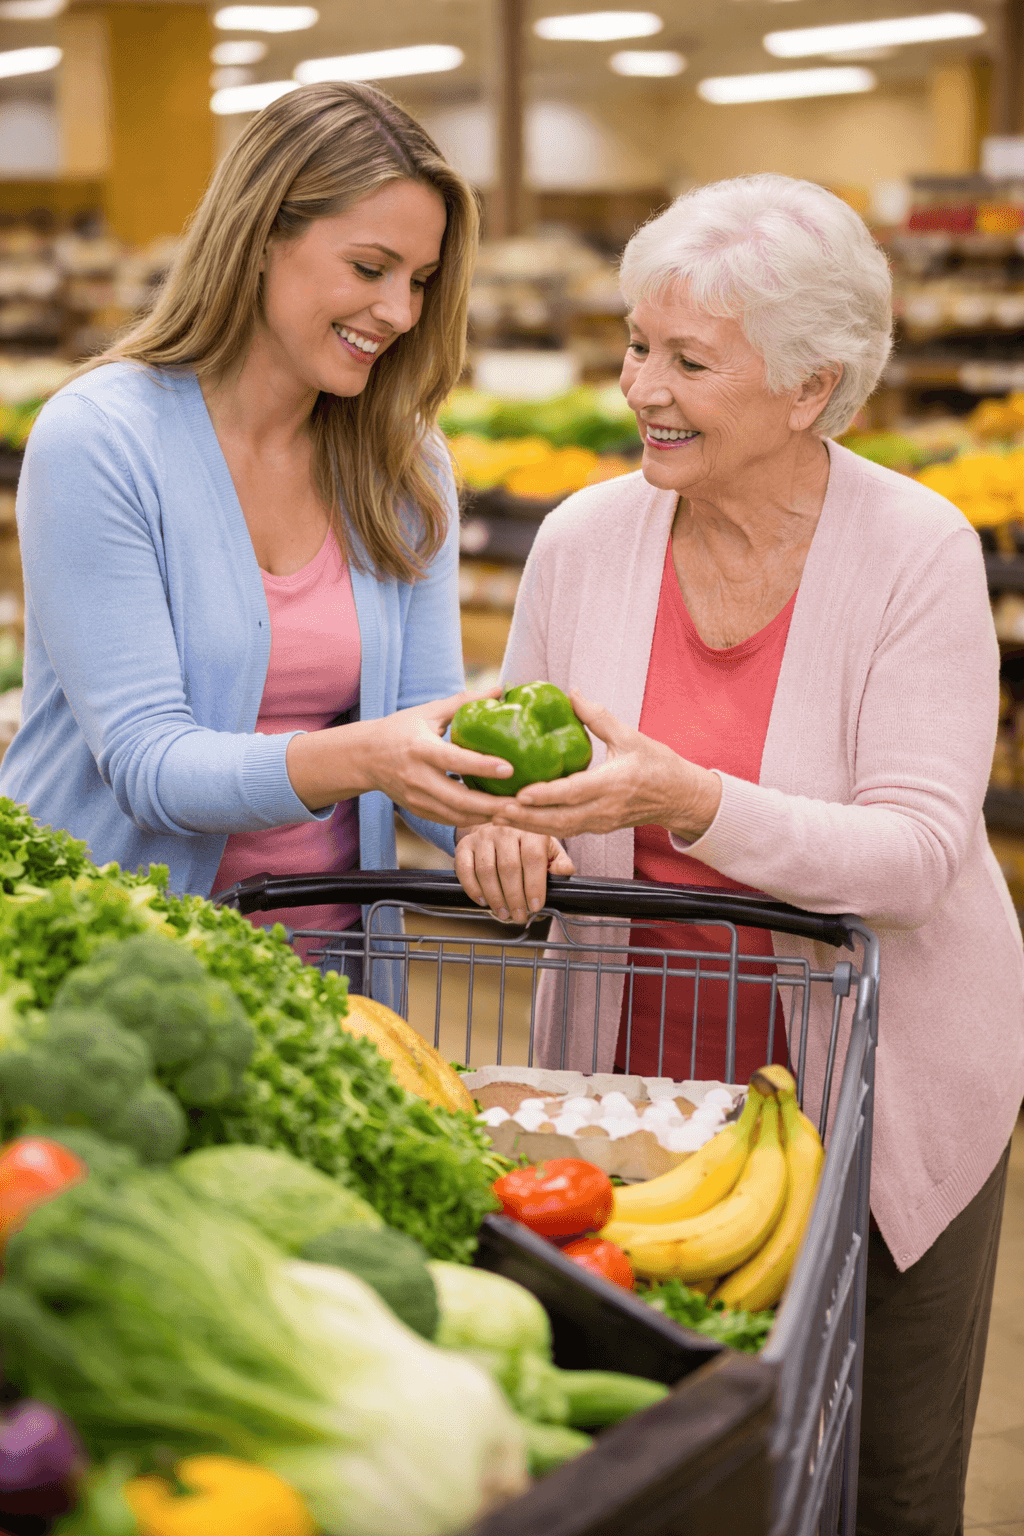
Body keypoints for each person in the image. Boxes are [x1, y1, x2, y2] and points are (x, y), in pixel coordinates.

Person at [454, 174, 1024, 1535]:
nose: (642, 386)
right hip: (630, 1077)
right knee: (661, 1460)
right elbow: (506, 765)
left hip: (879, 1088)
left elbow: (917, 855)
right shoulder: (587, 538)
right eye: (638, 346)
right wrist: (491, 830)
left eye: (688, 360)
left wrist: (691, 799)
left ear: (813, 389)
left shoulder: (917, 550)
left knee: (878, 1479)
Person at [2, 82, 516, 979]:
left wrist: (504, 824)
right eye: (370, 269)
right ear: (262, 237)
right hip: (106, 966)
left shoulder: (404, 463)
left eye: (422, 281)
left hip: (322, 977)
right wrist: (373, 757)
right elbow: (150, 767)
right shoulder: (102, 438)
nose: (400, 312)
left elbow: (426, 732)